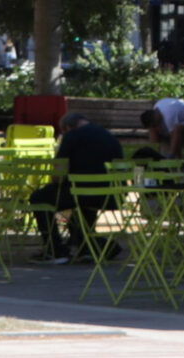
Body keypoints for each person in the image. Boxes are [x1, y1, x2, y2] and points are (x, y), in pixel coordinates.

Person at [31, 111, 124, 262]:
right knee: (84, 204)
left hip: (80, 192)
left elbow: (58, 174)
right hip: (111, 194)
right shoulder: (109, 137)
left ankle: (55, 249)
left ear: (68, 127)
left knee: (39, 198)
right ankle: (88, 247)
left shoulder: (71, 137)